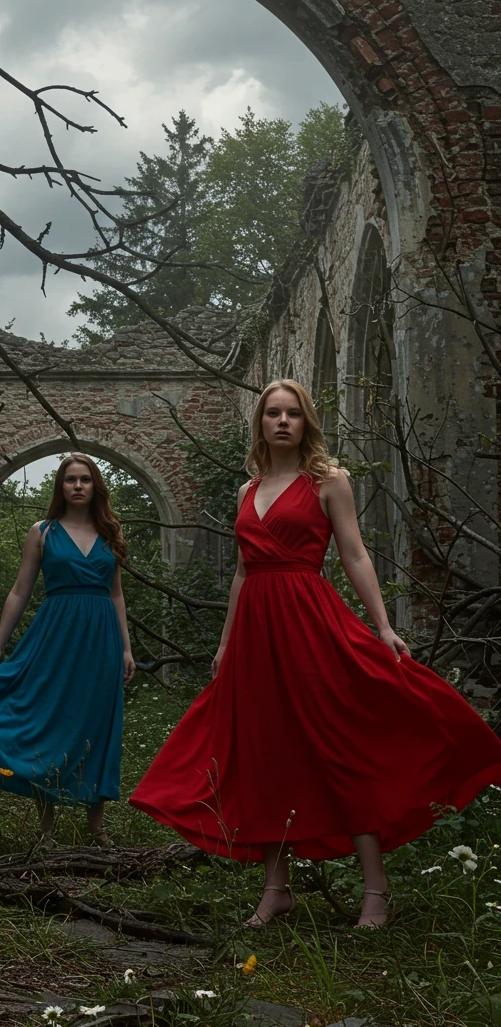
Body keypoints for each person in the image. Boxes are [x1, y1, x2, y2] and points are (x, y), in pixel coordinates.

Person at [129, 379, 501, 928]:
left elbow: (354, 555)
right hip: (256, 631)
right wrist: (227, 642)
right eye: (272, 413)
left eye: (293, 414)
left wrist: (383, 627)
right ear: (259, 423)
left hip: (309, 621)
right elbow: (241, 572)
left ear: (307, 423)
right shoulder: (246, 489)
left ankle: (376, 890)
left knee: (338, 744)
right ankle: (276, 889)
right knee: (265, 752)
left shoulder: (329, 481)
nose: (282, 421)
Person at [0, 454, 135, 844]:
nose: (77, 486)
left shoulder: (110, 533)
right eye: (70, 479)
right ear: (60, 487)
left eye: (85, 479)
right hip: (55, 635)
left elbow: (116, 594)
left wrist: (125, 648)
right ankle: (46, 829)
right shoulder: (42, 531)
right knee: (47, 718)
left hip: (101, 637)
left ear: (95, 486)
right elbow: (20, 591)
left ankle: (97, 826)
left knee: (99, 721)